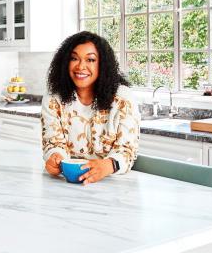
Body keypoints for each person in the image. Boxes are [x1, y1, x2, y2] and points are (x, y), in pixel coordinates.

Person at [41, 31, 141, 184]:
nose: (81, 66)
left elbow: (127, 151)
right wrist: (54, 157)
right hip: (66, 185)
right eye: (74, 58)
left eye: (91, 59)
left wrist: (106, 166)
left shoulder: (123, 99)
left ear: (102, 65)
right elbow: (54, 144)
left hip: (112, 185)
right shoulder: (53, 99)